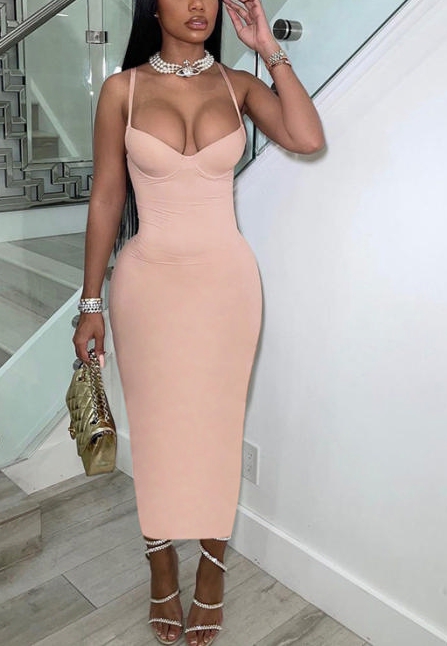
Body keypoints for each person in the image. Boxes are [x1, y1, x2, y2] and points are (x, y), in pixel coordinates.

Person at [73, 1, 324, 644]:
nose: (197, 5)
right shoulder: (122, 91)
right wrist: (90, 303)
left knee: (218, 428)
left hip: (226, 287)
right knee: (157, 430)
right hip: (147, 287)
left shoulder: (237, 86)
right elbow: (107, 197)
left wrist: (267, 48)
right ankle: (161, 564)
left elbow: (306, 136)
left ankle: (212, 567)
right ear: (152, 6)